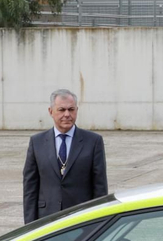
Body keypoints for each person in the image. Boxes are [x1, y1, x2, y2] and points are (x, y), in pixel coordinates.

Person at [22, 89, 108, 223]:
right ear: (51, 111)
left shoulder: (93, 141)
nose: (67, 114)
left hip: (82, 218)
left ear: (77, 110)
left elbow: (100, 187)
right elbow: (30, 187)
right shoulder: (37, 142)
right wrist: (29, 226)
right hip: (46, 219)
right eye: (61, 110)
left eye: (71, 109)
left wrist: (99, 222)